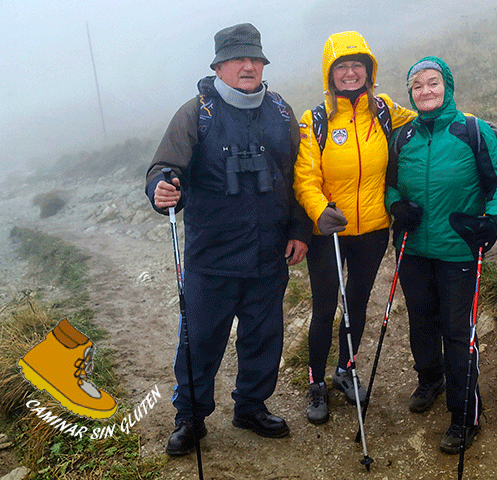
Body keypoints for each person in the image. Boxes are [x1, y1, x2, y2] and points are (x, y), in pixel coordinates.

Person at [145, 23, 312, 455]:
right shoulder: (195, 113)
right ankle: (190, 418)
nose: (248, 66)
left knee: (264, 334)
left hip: (268, 252)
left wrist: (299, 230)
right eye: (239, 59)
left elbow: (298, 177)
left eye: (255, 59)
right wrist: (162, 187)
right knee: (199, 339)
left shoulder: (280, 111)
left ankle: (251, 406)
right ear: (219, 66)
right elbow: (165, 168)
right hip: (212, 256)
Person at [385, 56, 497, 453]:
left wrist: (492, 221)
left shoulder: (473, 131)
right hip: (412, 250)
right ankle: (430, 379)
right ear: (410, 92)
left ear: (448, 86)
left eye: (433, 83)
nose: (426, 91)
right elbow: (391, 186)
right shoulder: (403, 137)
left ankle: (465, 414)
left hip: (458, 249)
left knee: (459, 334)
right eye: (417, 85)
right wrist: (396, 207)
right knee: (422, 321)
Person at [293, 31, 417, 425]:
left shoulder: (383, 111)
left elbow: (429, 116)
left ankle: (345, 369)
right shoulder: (314, 120)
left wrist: (476, 125)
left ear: (369, 70)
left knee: (358, 304)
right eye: (341, 67)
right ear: (330, 74)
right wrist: (318, 210)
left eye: (357, 66)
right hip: (328, 231)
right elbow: (305, 179)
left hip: (374, 230)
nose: (350, 73)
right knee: (325, 307)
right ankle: (316, 382)